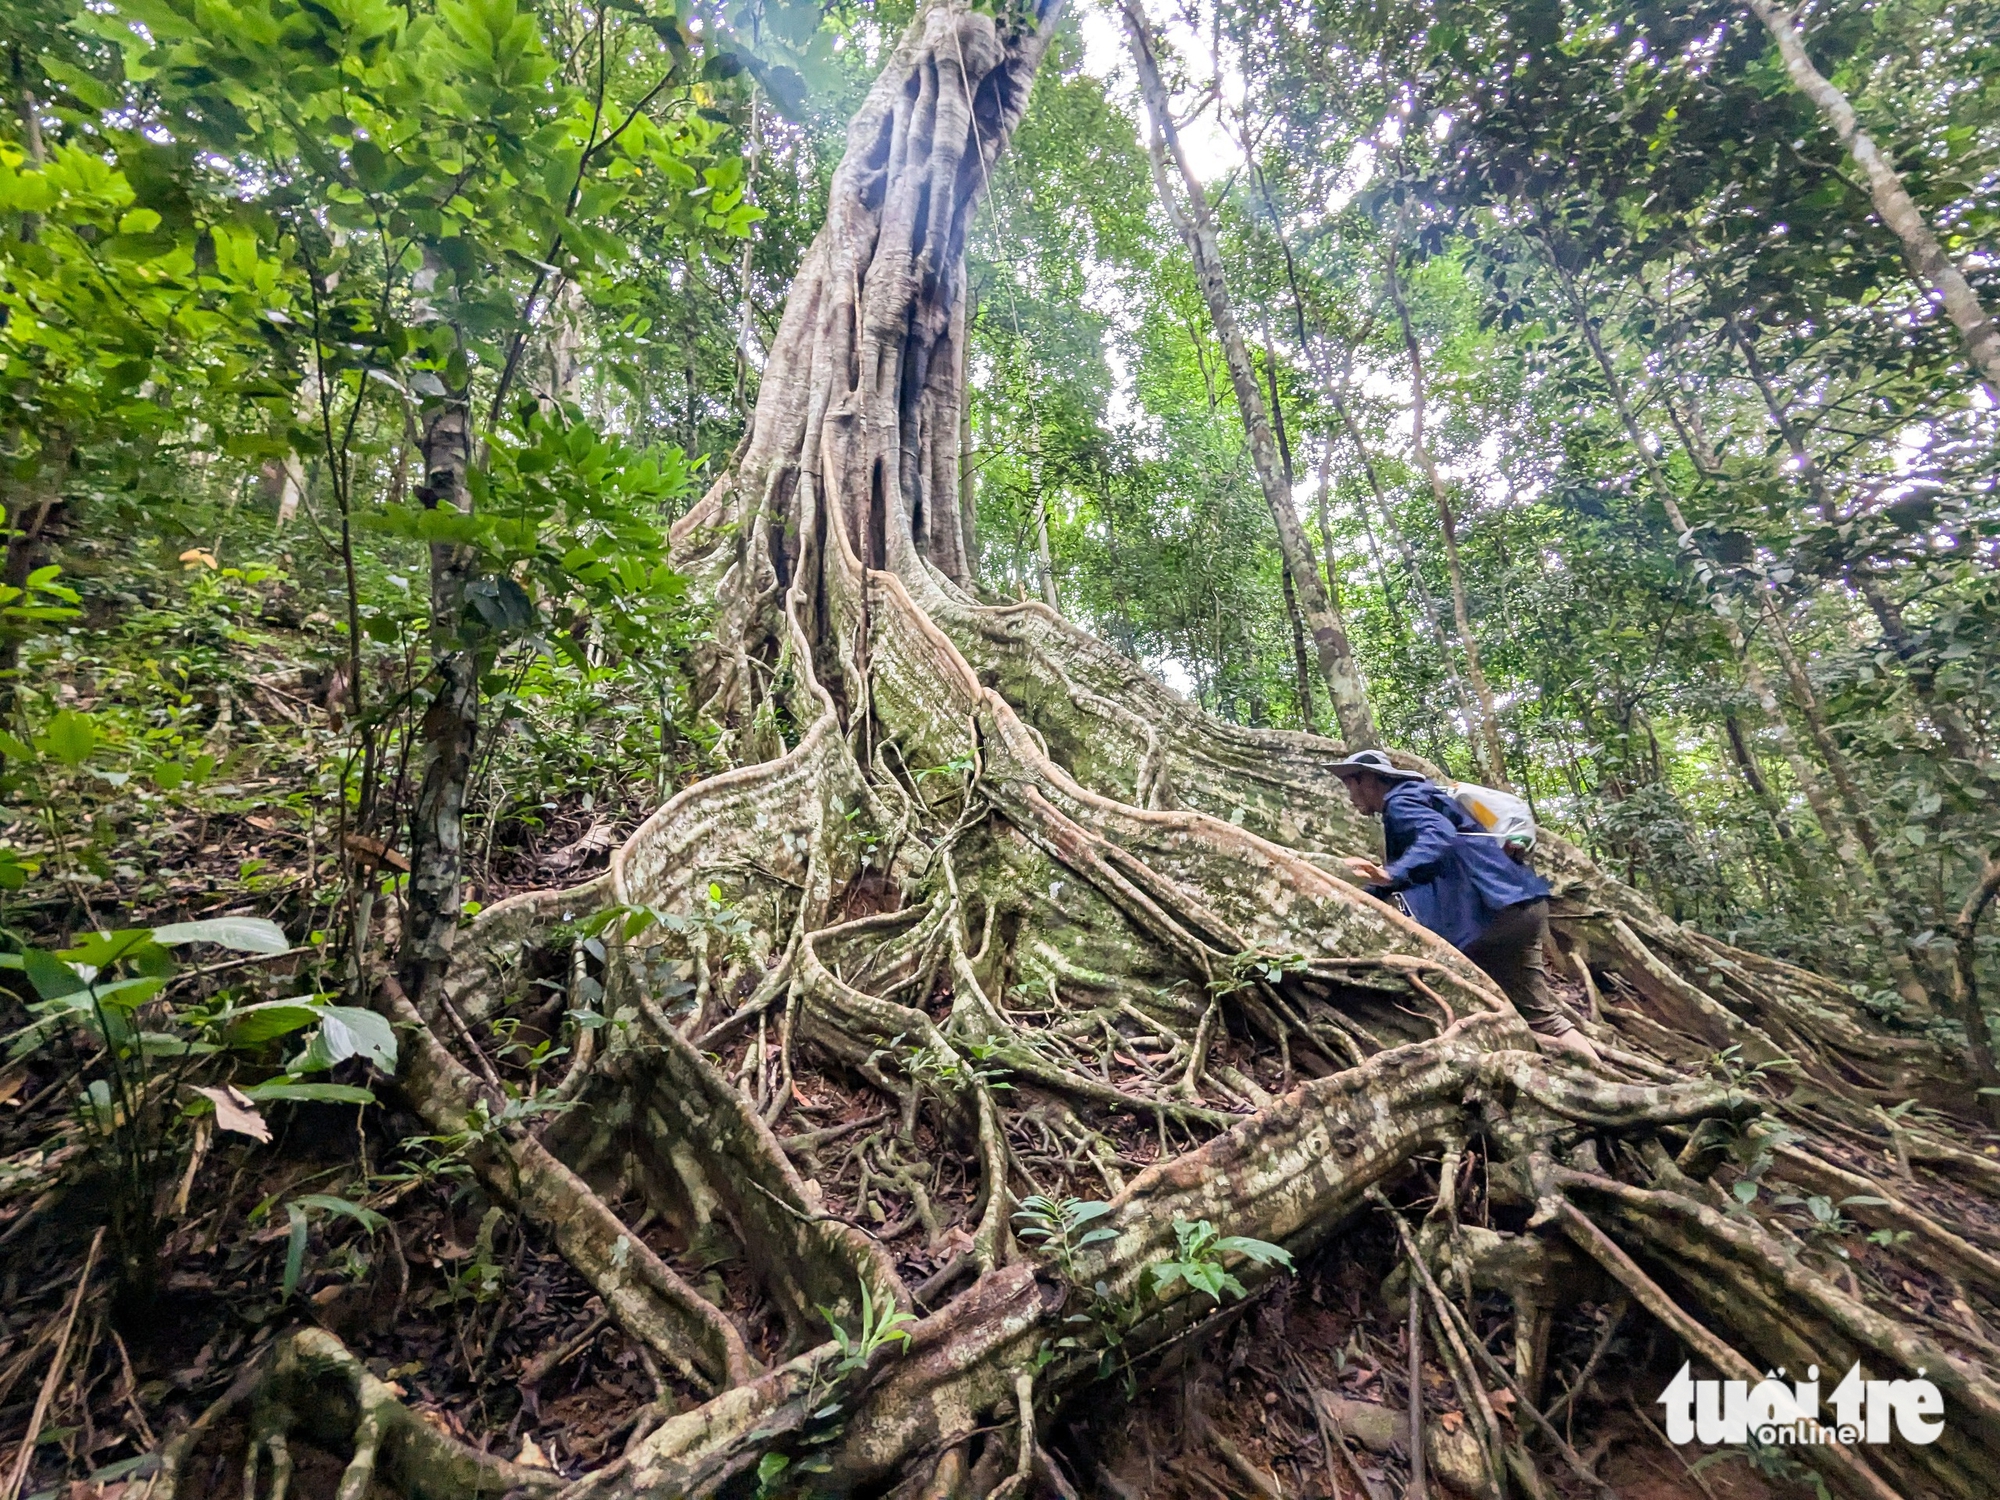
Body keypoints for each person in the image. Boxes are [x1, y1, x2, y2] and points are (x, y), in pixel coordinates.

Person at [1329, 749, 1600, 1064]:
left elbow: (1437, 837)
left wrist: (1391, 873)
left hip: (1490, 913)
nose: (1349, 796)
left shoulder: (1400, 803)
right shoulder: (1428, 798)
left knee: (1437, 986)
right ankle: (1604, 1083)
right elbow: (1432, 863)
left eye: (1349, 784)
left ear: (1367, 779)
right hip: (1525, 907)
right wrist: (1373, 887)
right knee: (1543, 1017)